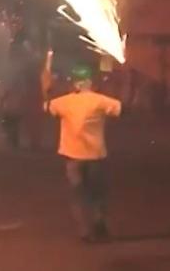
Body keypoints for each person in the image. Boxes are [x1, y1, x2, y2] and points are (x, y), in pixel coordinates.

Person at [46, 65, 122, 243]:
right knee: (98, 193)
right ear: (90, 83)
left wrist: (48, 88)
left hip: (73, 156)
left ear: (75, 84)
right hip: (96, 155)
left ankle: (84, 231)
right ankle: (99, 222)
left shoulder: (63, 102)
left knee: (77, 195)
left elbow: (48, 107)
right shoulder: (100, 100)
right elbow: (120, 108)